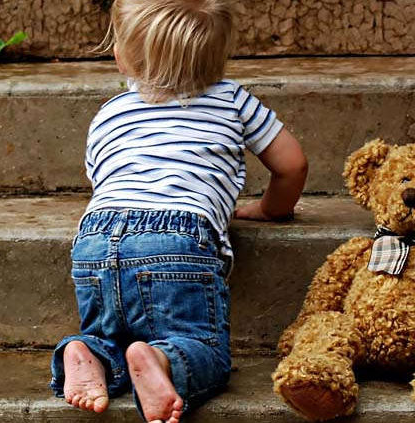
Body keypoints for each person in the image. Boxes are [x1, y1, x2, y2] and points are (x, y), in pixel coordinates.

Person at [49, 0, 308, 421]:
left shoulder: (109, 113)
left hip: (96, 238)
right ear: (219, 54)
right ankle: (163, 362)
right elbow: (292, 164)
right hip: (178, 237)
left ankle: (87, 353)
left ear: (122, 56)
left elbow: (101, 178)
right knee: (201, 347)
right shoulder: (232, 99)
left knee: (107, 332)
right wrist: (270, 208)